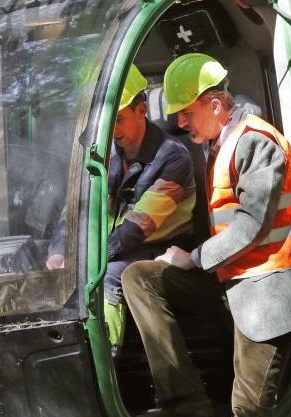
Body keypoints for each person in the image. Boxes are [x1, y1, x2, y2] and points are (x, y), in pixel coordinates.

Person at [122, 53, 291, 417]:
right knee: (141, 276)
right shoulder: (218, 145)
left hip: (267, 290)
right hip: (231, 280)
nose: (179, 123)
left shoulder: (255, 142)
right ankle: (185, 405)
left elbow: (250, 225)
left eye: (187, 113)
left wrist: (193, 258)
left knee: (249, 408)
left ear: (215, 105)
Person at [47, 64, 197, 351]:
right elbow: (75, 209)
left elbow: (136, 228)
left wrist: (87, 261)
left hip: (162, 251)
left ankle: (105, 356)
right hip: (111, 246)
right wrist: (58, 251)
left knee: (109, 274)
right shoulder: (104, 153)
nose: (111, 131)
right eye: (106, 122)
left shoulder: (174, 158)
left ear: (142, 109)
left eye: (118, 120)